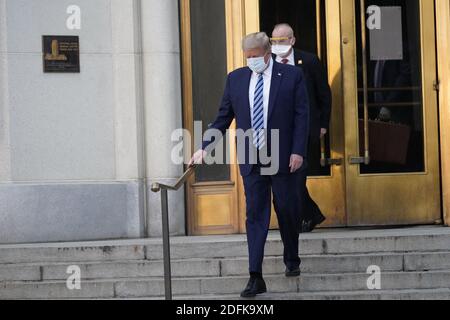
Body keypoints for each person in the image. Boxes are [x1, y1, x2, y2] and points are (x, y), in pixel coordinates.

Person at [189, 32, 310, 298]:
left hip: (283, 155)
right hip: (251, 156)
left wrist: (298, 151)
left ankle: (292, 258)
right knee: (255, 215)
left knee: (288, 209)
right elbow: (222, 118)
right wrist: (203, 147)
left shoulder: (291, 77)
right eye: (248, 57)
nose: (251, 61)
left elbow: (302, 116)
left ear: (268, 54)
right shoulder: (236, 79)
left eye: (255, 57)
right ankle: (255, 276)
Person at [271, 23, 331, 232]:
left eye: (283, 40)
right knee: (285, 177)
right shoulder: (267, 62)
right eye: (274, 41)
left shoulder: (309, 61)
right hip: (277, 133)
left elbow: (324, 94)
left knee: (296, 176)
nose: (278, 45)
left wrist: (323, 124)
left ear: (293, 40)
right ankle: (311, 214)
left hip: (304, 130)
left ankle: (298, 219)